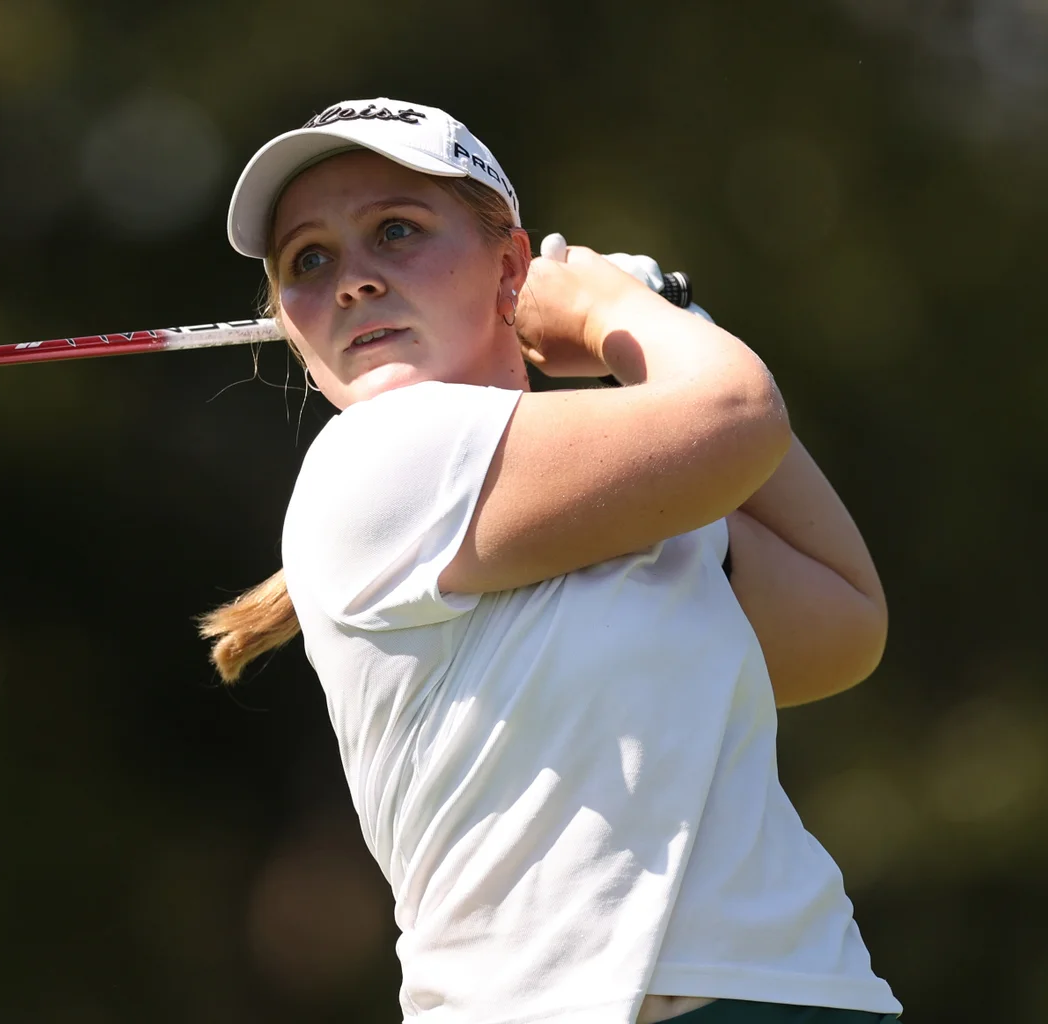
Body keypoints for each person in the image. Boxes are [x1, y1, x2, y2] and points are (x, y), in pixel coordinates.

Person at [201, 98, 901, 1024]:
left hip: (803, 994)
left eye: (396, 232)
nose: (353, 281)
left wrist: (671, 322)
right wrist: (627, 314)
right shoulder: (371, 462)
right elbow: (737, 417)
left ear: (511, 270)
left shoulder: (634, 499)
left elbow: (844, 620)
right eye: (310, 260)